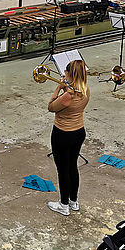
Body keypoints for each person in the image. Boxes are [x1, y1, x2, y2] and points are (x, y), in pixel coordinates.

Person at [47, 59, 90, 216]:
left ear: (70, 74)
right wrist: (67, 87)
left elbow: (51, 106)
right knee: (73, 166)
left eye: (65, 72)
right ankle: (74, 201)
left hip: (63, 134)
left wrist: (59, 87)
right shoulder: (85, 90)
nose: (63, 74)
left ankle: (63, 205)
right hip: (79, 131)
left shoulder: (67, 96)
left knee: (63, 170)